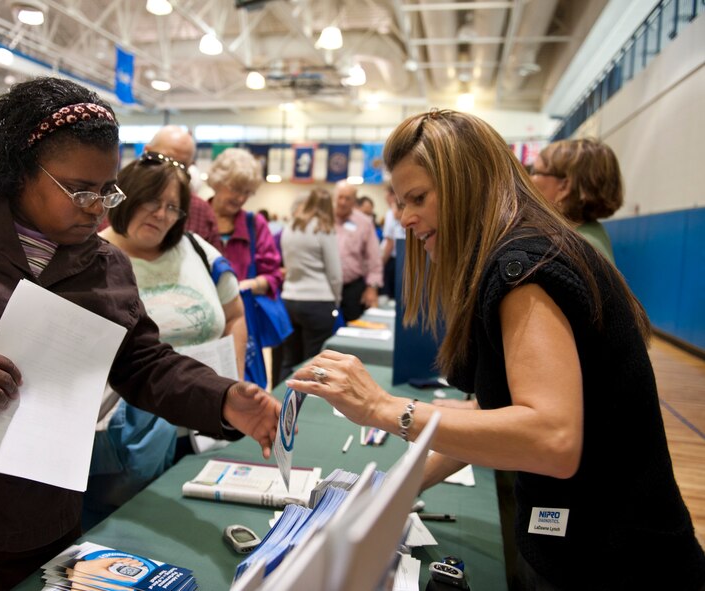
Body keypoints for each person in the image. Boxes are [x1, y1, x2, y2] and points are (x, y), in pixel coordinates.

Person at [0, 77, 279, 591]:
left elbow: (142, 363)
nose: (97, 208)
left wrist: (224, 399)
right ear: (17, 168)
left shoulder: (106, 266)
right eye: (80, 190)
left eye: (108, 190)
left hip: (29, 541)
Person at [288, 110, 705, 589]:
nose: (405, 218)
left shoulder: (522, 267)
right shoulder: (521, 253)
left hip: (621, 567)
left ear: (467, 184)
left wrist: (384, 408)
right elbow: (497, 408)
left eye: (418, 198)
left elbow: (551, 439)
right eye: (401, 202)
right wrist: (394, 487)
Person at [88, 154, 247, 522]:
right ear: (123, 197)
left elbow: (235, 315)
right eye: (150, 201)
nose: (160, 214)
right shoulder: (92, 257)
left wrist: (230, 385)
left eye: (173, 207)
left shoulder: (197, 249)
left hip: (206, 427)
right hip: (126, 442)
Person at [208, 148, 285, 387]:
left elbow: (274, 275)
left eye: (246, 192)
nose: (240, 198)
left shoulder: (255, 224)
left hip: (241, 323)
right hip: (204, 322)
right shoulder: (197, 217)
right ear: (217, 183)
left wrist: (250, 284)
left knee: (241, 388)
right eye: (235, 188)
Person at [278, 188, 342, 383]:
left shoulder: (290, 227)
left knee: (289, 359)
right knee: (314, 362)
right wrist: (336, 300)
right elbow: (335, 273)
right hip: (318, 300)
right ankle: (305, 409)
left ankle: (281, 404)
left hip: (289, 299)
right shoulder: (324, 228)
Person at [530, 138, 623, 262]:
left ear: (564, 186)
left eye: (534, 172)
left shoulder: (572, 249)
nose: (528, 179)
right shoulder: (591, 233)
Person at [144, 125, 224, 252]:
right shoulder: (118, 197)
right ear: (146, 152)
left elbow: (214, 265)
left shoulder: (201, 211)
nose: (171, 171)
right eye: (164, 160)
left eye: (181, 166)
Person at [333, 180, 383, 321]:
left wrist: (372, 288)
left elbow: (374, 258)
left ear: (354, 201)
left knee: (353, 326)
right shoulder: (323, 219)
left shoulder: (364, 222)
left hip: (353, 287)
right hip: (326, 287)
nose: (342, 202)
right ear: (334, 198)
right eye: (340, 197)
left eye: (347, 198)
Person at [380, 184, 405, 300]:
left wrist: (382, 263)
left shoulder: (391, 214)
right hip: (401, 257)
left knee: (395, 294)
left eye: (387, 196)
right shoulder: (392, 213)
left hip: (396, 259)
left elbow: (389, 243)